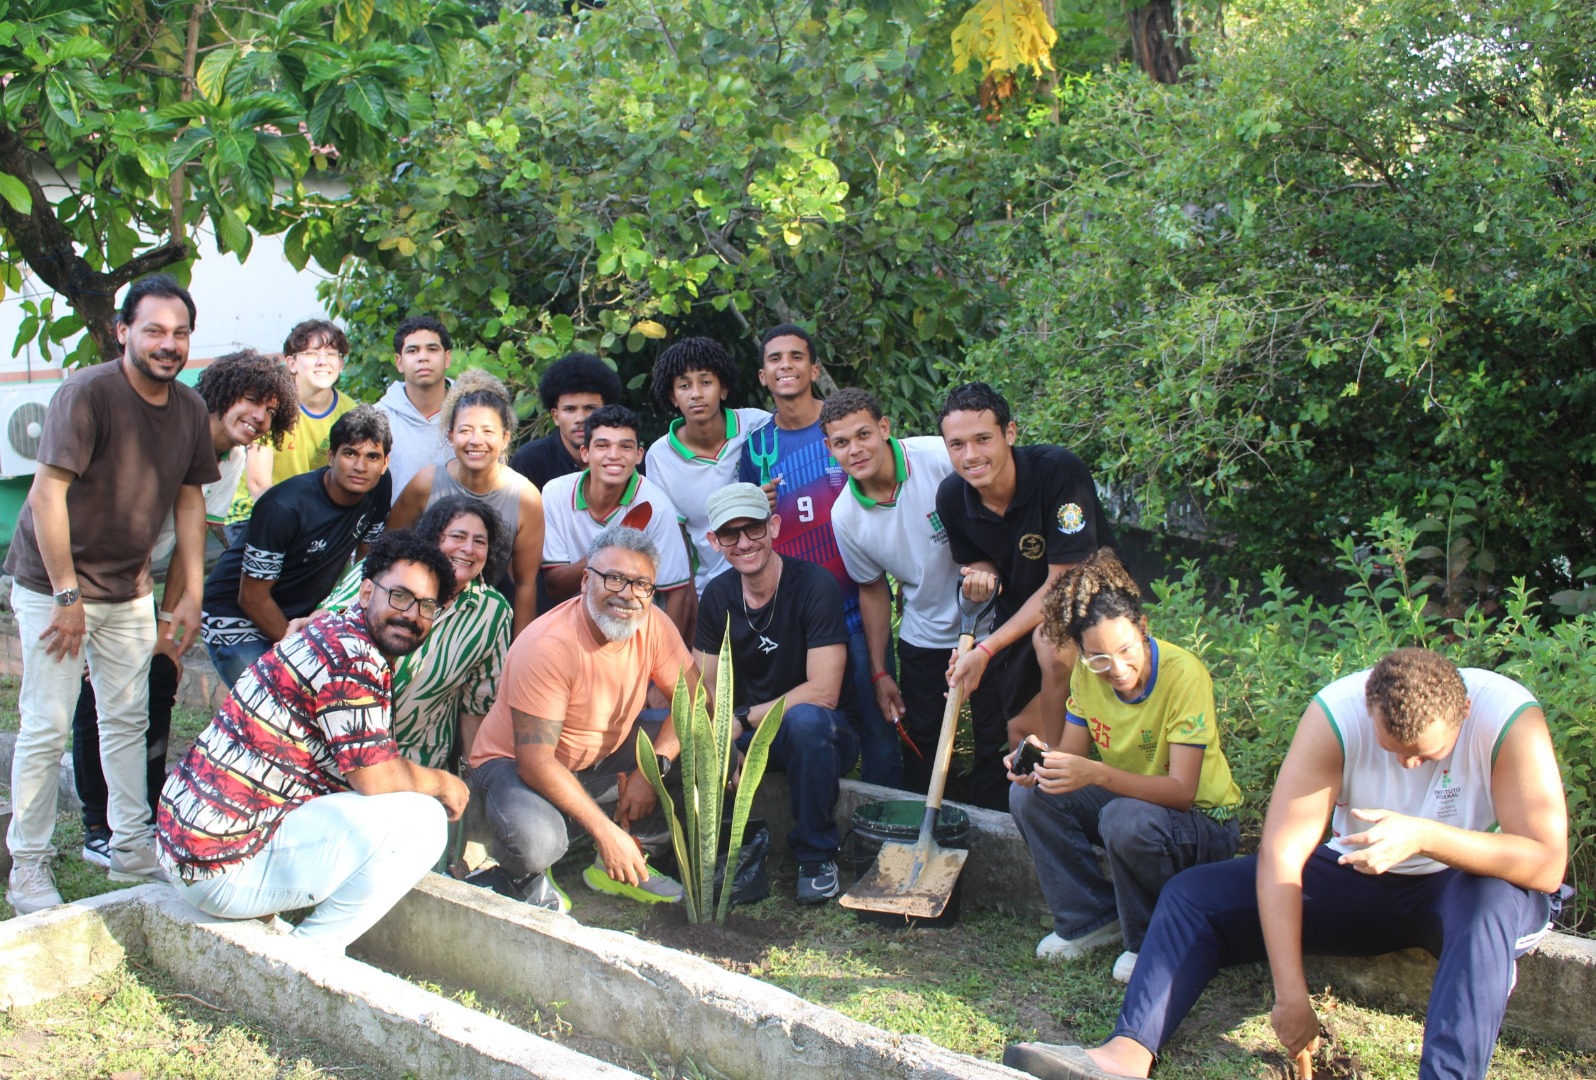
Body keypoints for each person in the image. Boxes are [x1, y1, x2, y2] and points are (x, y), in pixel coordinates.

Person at [1004, 648, 1569, 1080]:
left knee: (1489, 903)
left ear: (1463, 713)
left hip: (1461, 888)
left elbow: (1545, 864)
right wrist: (1291, 995)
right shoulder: (1338, 714)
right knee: (1193, 895)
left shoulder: (1506, 716)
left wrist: (1424, 835)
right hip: (1358, 872)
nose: (1408, 766)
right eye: (1393, 751)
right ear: (1369, 709)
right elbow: (1282, 853)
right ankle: (1124, 1054)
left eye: (1425, 754)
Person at [4, 274, 219, 914]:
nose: (168, 343)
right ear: (124, 331)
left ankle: (130, 848)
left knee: (127, 720)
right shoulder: (87, 393)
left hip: (128, 590)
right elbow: (46, 495)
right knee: (46, 725)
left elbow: (190, 500)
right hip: (53, 586)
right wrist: (67, 597)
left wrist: (190, 593)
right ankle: (27, 867)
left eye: (180, 333)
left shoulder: (189, 409)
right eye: (154, 330)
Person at [156, 531, 469, 953]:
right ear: (366, 592)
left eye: (426, 606)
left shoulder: (331, 626)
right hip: (217, 868)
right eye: (399, 596)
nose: (411, 615)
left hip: (186, 846)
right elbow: (375, 777)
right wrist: (444, 783)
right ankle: (310, 955)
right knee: (424, 820)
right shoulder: (355, 657)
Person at [73, 349, 297, 869]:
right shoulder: (167, 433)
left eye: (270, 411)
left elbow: (186, 543)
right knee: (94, 694)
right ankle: (96, 826)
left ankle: (144, 815)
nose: (259, 418)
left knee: (157, 680)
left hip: (141, 579)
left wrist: (168, 628)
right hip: (92, 572)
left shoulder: (230, 459)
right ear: (222, 394)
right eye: (251, 401)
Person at [1008, 549, 1241, 984]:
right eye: (1097, 658)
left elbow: (1182, 792)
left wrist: (1096, 773)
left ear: (1142, 627)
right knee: (1034, 794)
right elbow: (1072, 755)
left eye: (1125, 650)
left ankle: (1157, 938)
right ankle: (1090, 919)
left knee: (1124, 817)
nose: (1115, 668)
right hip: (1136, 810)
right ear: (1081, 651)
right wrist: (1043, 761)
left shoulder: (1183, 674)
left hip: (1204, 823)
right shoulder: (1086, 674)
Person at [465, 526, 691, 913]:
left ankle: (626, 861)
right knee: (539, 843)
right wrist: (605, 831)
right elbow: (536, 762)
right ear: (586, 580)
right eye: (614, 578)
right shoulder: (549, 645)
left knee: (706, 748)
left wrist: (650, 772)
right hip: (515, 766)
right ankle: (522, 874)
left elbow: (695, 702)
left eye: (641, 585)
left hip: (599, 757)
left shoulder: (653, 623)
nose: (627, 595)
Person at [936, 381, 1116, 811]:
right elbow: (980, 558)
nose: (970, 455)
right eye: (957, 444)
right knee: (1022, 739)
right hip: (1020, 607)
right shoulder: (952, 497)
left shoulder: (1059, 472)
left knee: (1051, 645)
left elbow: (1065, 581)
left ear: (1010, 433)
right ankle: (1043, 807)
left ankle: (1065, 774)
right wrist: (983, 574)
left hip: (1092, 601)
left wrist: (986, 649)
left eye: (983, 439)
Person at [736, 325, 900, 789]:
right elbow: (746, 532)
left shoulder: (842, 431)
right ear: (763, 376)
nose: (785, 365)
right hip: (798, 617)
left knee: (880, 723)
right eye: (774, 359)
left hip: (858, 602)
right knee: (811, 724)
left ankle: (888, 814)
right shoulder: (757, 448)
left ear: (814, 369)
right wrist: (755, 504)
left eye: (796, 356)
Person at [695, 483, 860, 905]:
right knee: (678, 730)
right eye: (729, 534)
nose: (744, 543)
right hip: (747, 736)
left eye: (753, 529)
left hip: (818, 734)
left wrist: (741, 720)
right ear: (714, 541)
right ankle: (719, 855)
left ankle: (817, 856)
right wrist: (724, 739)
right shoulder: (716, 595)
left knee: (806, 721)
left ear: (773, 527)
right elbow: (706, 689)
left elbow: (824, 692)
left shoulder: (814, 585)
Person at [820, 388, 960, 796]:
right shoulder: (845, 515)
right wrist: (880, 671)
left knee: (995, 737)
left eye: (863, 434)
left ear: (884, 428)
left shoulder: (938, 457)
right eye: (842, 442)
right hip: (925, 630)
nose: (855, 450)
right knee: (926, 746)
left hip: (990, 619)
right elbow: (872, 588)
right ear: (829, 449)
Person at [199, 406, 393, 686]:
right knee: (270, 699)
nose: (361, 467)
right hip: (235, 618)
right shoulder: (284, 507)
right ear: (331, 456)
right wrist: (301, 648)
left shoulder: (379, 487)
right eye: (350, 453)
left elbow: (365, 562)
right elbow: (251, 597)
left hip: (299, 614)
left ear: (384, 463)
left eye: (372, 457)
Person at [318, 495, 513, 769]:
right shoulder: (384, 571)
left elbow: (477, 705)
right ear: (433, 537)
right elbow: (323, 623)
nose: (468, 549)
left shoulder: (493, 612)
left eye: (479, 541)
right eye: (457, 536)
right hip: (335, 749)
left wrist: (470, 771)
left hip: (419, 763)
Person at [388, 370, 544, 635]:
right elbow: (389, 549)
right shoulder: (426, 483)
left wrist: (521, 650)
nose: (475, 441)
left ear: (505, 438)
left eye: (487, 431)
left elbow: (526, 584)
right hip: (416, 606)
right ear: (450, 436)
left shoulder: (525, 498)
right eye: (465, 430)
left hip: (479, 618)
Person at [541, 404, 693, 638]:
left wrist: (662, 655)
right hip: (572, 627)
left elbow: (677, 593)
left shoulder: (657, 506)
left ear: (639, 455)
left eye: (625, 446)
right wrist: (608, 551)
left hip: (635, 627)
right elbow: (554, 586)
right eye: (602, 446)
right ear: (585, 452)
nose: (614, 455)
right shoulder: (555, 494)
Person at [643, 337, 770, 596]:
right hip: (711, 591)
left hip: (773, 580)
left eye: (706, 382)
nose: (696, 394)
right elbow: (674, 540)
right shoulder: (659, 456)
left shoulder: (759, 425)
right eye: (684, 385)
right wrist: (688, 601)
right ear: (673, 396)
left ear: (723, 389)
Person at [223, 320, 353, 545]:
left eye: (331, 354)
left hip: (312, 519)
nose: (322, 361)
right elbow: (258, 484)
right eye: (311, 353)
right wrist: (296, 528)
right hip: (253, 513)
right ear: (291, 363)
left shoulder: (351, 412)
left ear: (341, 363)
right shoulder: (272, 406)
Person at [510, 351, 625, 493]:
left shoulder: (626, 458)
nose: (580, 418)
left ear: (606, 411)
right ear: (555, 416)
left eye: (590, 408)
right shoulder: (529, 461)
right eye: (570, 409)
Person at [377, 314, 453, 500]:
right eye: (412, 351)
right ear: (399, 362)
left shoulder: (473, 412)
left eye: (432, 349)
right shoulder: (377, 419)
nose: (423, 357)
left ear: (447, 358)